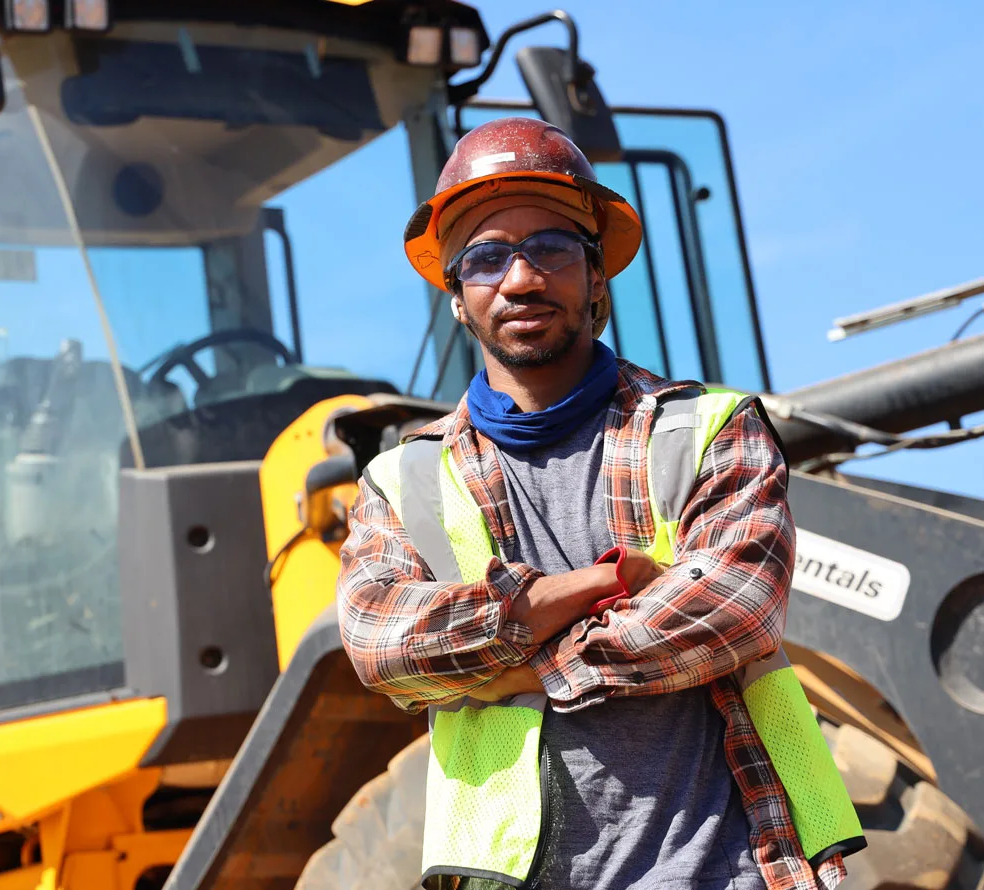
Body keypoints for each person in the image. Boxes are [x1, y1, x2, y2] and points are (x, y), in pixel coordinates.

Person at [336, 117, 854, 890]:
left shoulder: (708, 430)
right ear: (455, 295)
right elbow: (382, 646)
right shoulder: (402, 482)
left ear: (596, 273)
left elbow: (735, 605)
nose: (520, 279)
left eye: (549, 247)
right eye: (485, 257)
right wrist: (587, 588)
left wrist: (516, 666)